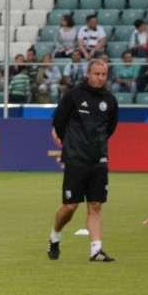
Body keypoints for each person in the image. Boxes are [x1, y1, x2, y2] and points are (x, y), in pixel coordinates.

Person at [47, 58, 118, 262]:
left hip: (98, 160)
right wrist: (71, 143)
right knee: (70, 206)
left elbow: (110, 128)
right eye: (96, 74)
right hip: (76, 158)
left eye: (103, 75)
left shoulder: (110, 101)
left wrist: (97, 145)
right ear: (88, 73)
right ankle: (54, 236)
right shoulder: (73, 96)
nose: (100, 78)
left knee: (95, 206)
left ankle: (96, 250)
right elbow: (59, 122)